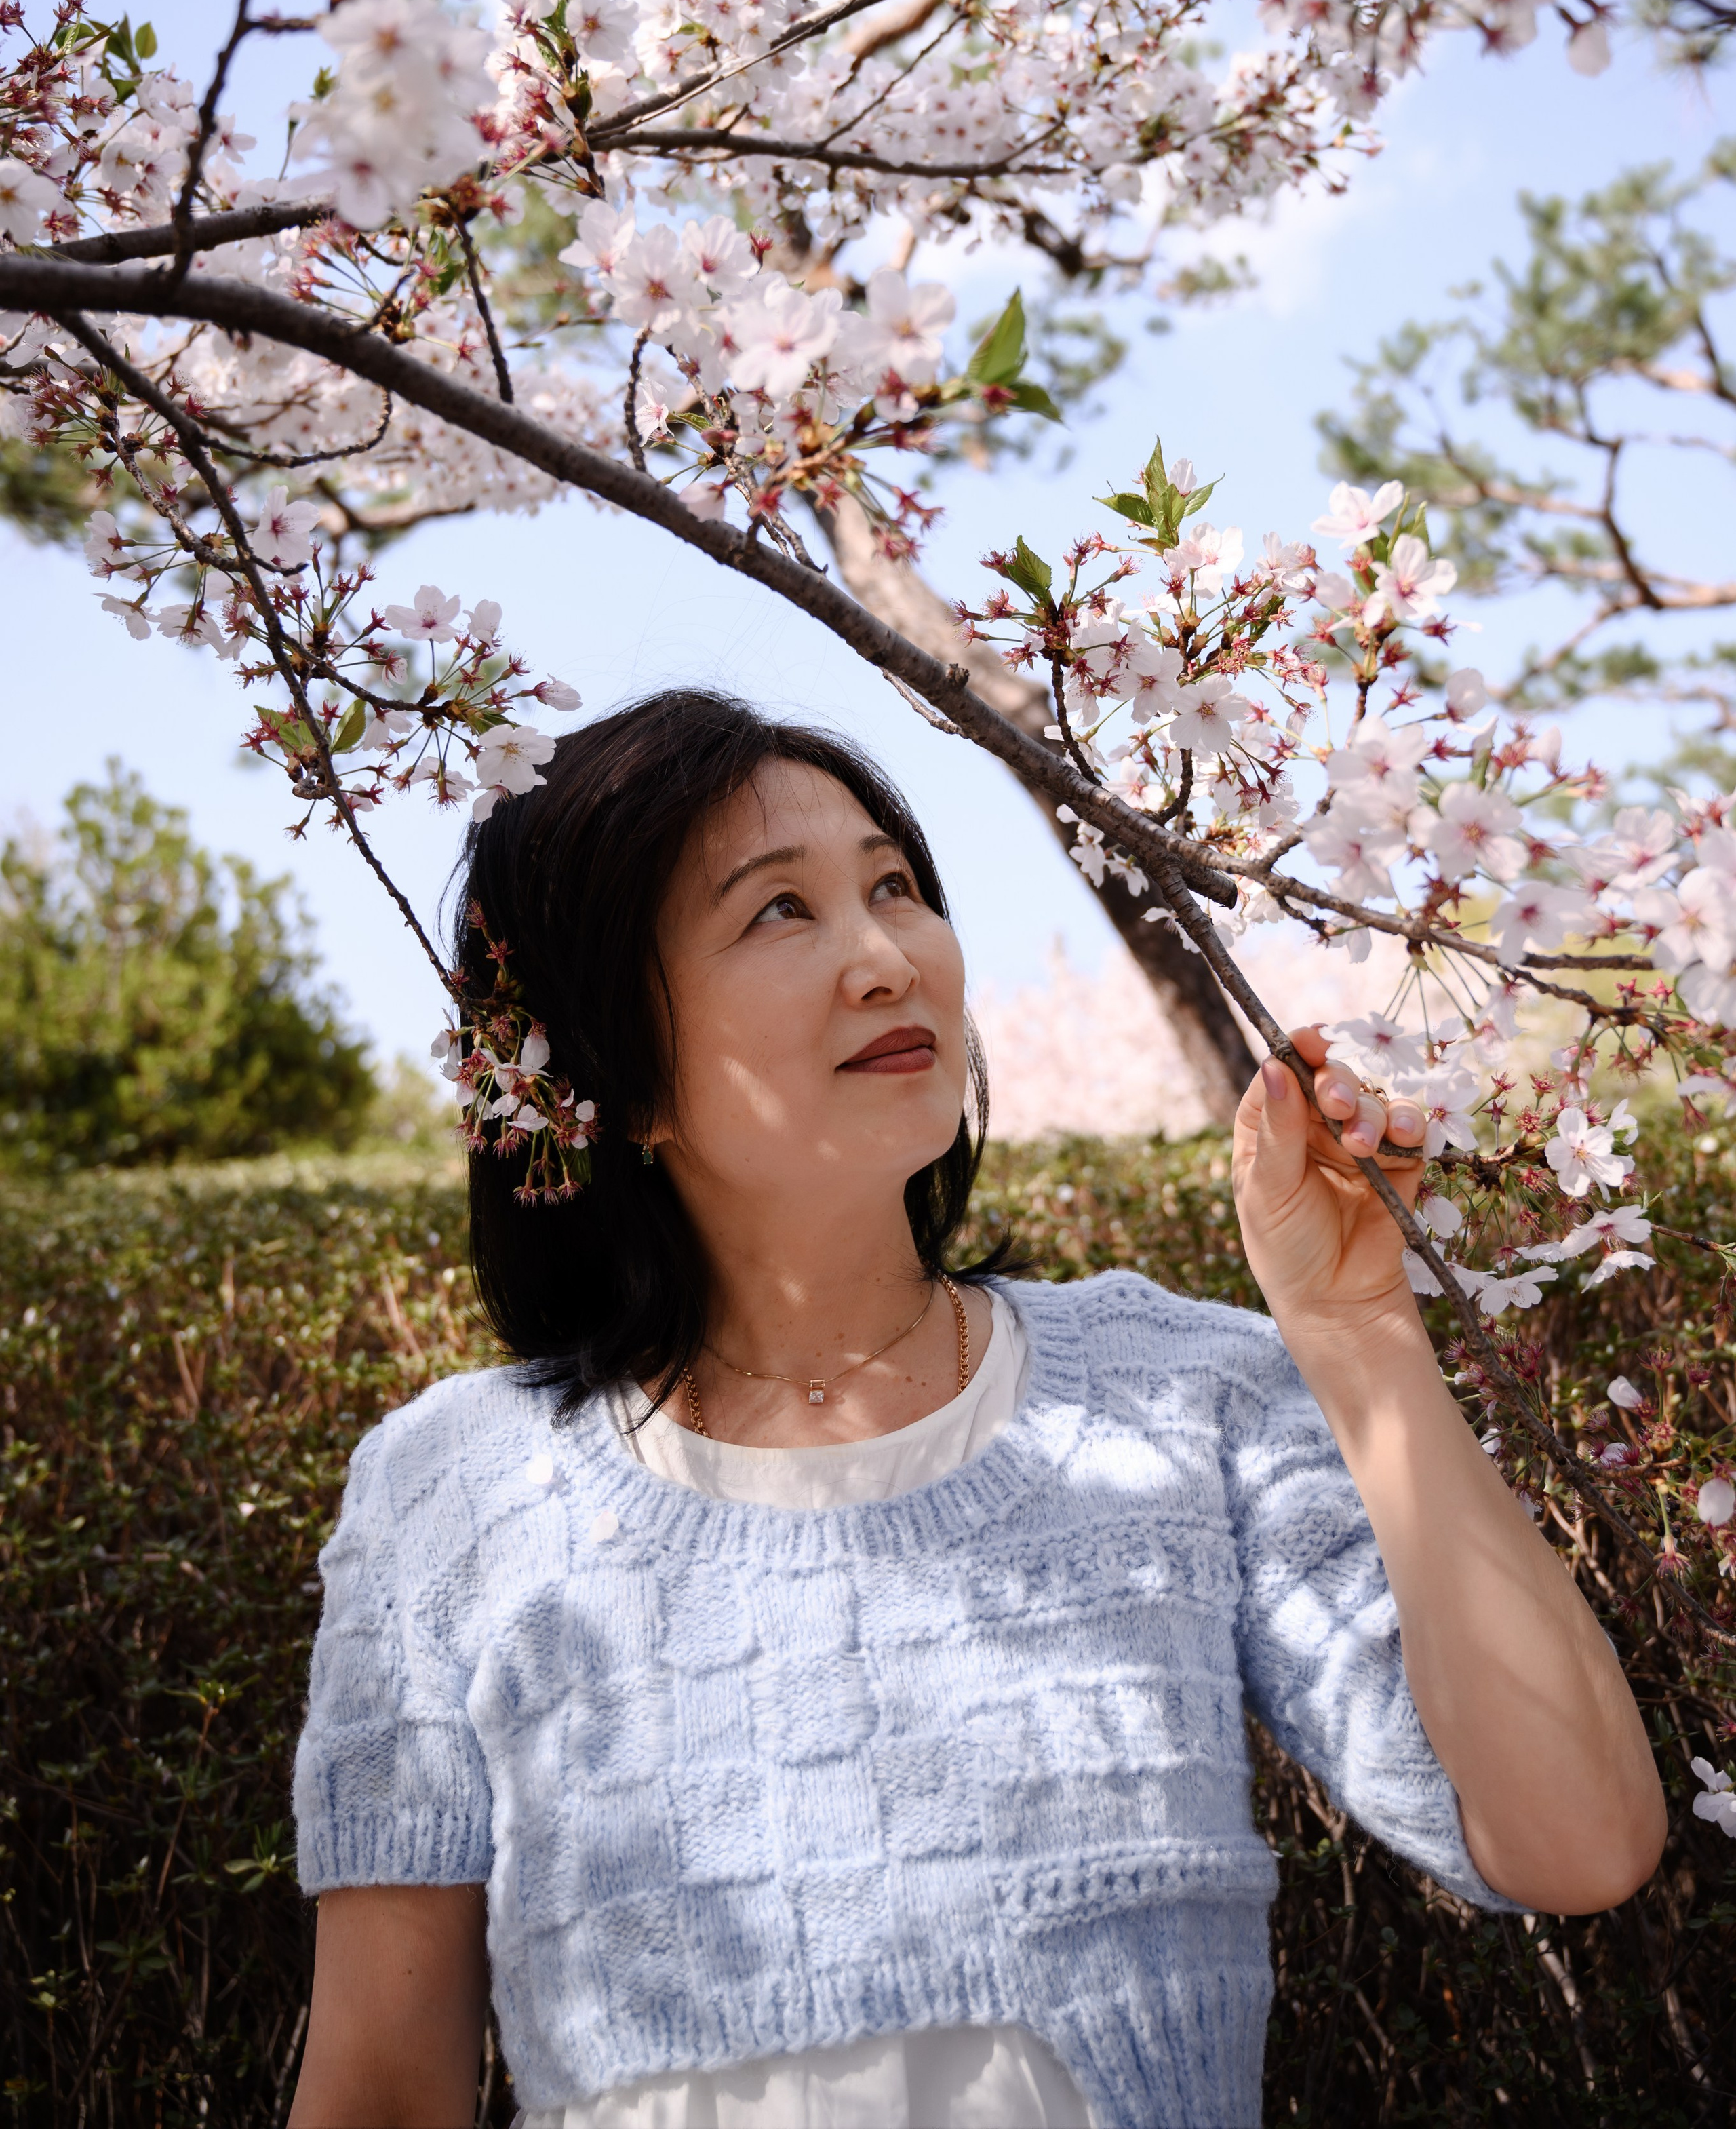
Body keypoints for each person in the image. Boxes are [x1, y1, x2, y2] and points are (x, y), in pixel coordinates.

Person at [287, 690, 1665, 2129]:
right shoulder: (451, 1492)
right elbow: (382, 2085)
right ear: (611, 1069)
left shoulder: (1180, 1396)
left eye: (895, 887)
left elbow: (1573, 1839)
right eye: (778, 912)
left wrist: (1359, 1334)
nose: (885, 958)